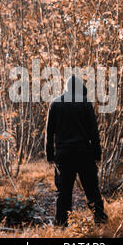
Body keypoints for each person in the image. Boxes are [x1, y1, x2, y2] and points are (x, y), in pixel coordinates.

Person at [45, 75, 108, 227]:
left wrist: (50, 156)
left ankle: (61, 225)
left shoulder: (55, 103)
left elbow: (49, 132)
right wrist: (97, 154)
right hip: (84, 154)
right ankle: (100, 221)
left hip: (63, 155)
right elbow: (94, 133)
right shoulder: (85, 103)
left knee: (63, 192)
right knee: (92, 190)